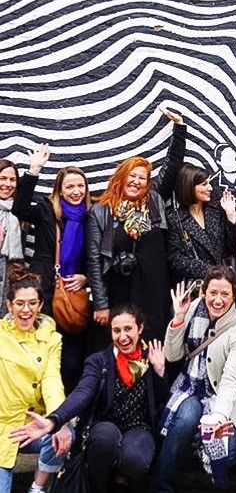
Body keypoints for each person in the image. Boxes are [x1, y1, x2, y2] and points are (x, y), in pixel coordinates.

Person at [10, 304, 168, 493]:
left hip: (137, 428)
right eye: (116, 330)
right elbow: (82, 393)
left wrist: (160, 372)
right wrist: (54, 420)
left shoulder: (151, 358)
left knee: (135, 459)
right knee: (106, 437)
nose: (122, 337)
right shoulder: (99, 361)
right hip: (104, 427)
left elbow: (160, 401)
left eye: (128, 329)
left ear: (140, 328)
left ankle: (122, 479)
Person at [86, 108, 185, 343]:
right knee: (122, 345)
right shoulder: (101, 210)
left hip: (155, 294)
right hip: (119, 294)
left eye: (142, 178)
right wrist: (100, 303)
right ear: (121, 177)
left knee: (154, 345)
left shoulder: (154, 200)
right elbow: (94, 260)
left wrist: (179, 127)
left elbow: (172, 165)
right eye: (132, 176)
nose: (136, 182)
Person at [153, 266, 236, 492]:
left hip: (221, 394)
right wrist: (178, 318)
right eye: (213, 293)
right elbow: (173, 355)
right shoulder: (192, 308)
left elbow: (230, 380)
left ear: (234, 296)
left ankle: (209, 475)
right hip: (189, 386)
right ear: (204, 292)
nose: (218, 300)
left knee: (228, 451)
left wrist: (218, 416)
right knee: (185, 419)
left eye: (225, 294)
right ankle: (162, 486)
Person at [12, 143, 91, 392]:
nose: (76, 191)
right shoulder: (47, 210)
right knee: (42, 349)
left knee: (72, 357)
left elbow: (96, 256)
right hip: (45, 288)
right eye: (70, 187)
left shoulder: (92, 215)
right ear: (60, 190)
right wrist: (34, 170)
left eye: (80, 186)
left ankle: (67, 404)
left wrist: (85, 277)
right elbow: (19, 209)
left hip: (73, 294)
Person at [1, 264, 72, 493]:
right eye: (19, 303)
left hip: (33, 425)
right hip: (3, 427)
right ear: (9, 305)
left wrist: (58, 421)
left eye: (32, 303)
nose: (26, 310)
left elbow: (52, 381)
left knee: (65, 434)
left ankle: (37, 488)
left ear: (40, 306)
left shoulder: (52, 339)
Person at [166, 163, 236, 284]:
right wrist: (210, 271)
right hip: (196, 286)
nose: (210, 188)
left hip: (222, 283)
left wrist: (231, 216)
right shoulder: (174, 218)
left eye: (209, 183)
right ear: (189, 186)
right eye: (204, 184)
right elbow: (176, 259)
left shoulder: (216, 211)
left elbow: (231, 249)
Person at [0, 158, 23, 316]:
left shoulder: (20, 212)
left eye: (12, 179)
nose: (7, 184)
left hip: (10, 282)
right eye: (2, 178)